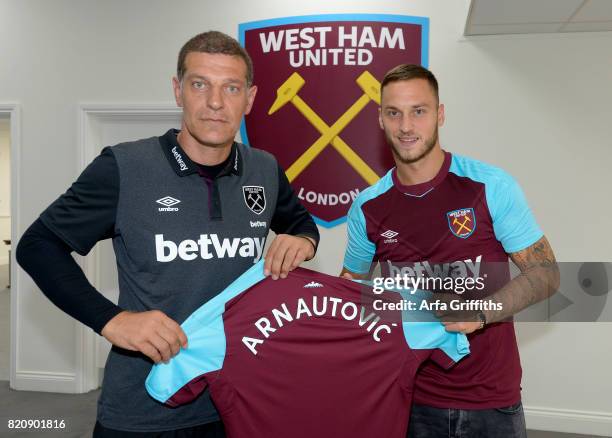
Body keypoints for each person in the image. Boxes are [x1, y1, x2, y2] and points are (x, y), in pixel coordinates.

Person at [16, 30, 319, 437]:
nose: (215, 102)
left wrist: (303, 240)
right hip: (144, 411)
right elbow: (37, 246)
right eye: (200, 84)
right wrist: (112, 320)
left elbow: (302, 223)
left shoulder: (264, 168)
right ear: (178, 91)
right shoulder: (124, 167)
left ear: (249, 98)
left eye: (231, 87)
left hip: (238, 399)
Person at [340, 64, 559, 438]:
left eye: (419, 111)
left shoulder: (489, 186)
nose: (406, 126)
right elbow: (350, 294)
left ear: (440, 114)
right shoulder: (367, 207)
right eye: (394, 113)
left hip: (491, 399)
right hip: (409, 398)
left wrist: (481, 311)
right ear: (380, 119)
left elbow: (547, 274)